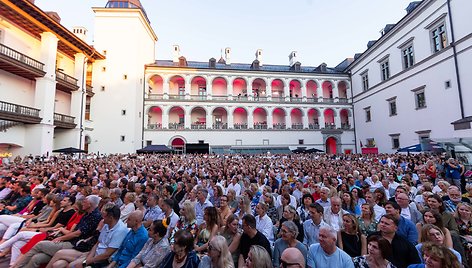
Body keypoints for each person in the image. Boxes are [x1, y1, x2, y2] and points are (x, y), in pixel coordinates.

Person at [12, 195, 103, 268]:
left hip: (74, 244)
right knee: (37, 258)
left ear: (90, 204)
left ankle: (16, 266)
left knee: (39, 244)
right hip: (69, 241)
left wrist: (61, 237)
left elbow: (77, 233)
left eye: (84, 201)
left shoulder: (95, 216)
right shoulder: (87, 214)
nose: (82, 203)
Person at [46, 204, 129, 268]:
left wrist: (86, 262)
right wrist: (88, 259)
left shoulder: (120, 230)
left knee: (70, 266)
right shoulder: (107, 224)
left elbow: (106, 255)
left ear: (110, 217)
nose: (102, 219)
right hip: (91, 255)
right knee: (58, 259)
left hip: (101, 260)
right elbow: (97, 243)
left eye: (104, 216)